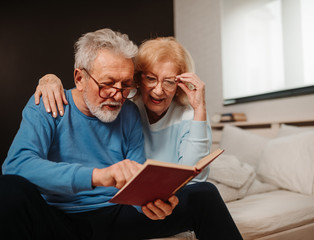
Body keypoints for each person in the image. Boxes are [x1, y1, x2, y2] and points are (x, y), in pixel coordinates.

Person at [1, 28, 243, 239]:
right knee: (8, 188)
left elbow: (137, 179)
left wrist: (148, 204)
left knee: (204, 194)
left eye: (125, 85)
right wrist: (97, 176)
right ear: (80, 78)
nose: (117, 95)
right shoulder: (46, 104)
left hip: (116, 215)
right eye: (107, 84)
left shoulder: (128, 112)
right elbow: (17, 166)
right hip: (58, 218)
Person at [35, 37, 212, 182]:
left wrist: (200, 109)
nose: (158, 90)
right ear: (137, 78)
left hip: (172, 191)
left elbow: (196, 177)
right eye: (151, 78)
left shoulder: (191, 115)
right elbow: (90, 89)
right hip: (140, 193)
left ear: (179, 84)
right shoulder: (126, 107)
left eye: (169, 82)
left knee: (206, 192)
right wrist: (49, 79)